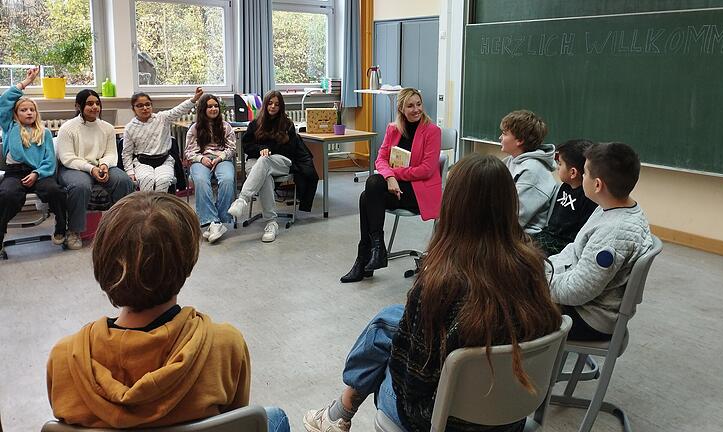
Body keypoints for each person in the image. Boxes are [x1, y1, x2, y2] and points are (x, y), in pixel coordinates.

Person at [305, 154, 563, 432]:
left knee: (384, 338)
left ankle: (340, 411)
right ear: (510, 203)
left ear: (454, 206)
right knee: (391, 319)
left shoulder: (440, 284)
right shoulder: (534, 267)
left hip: (442, 423)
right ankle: (338, 412)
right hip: (510, 419)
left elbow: (414, 389)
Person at [46, 192, 290, 432]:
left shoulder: (64, 358)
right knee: (274, 416)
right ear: (187, 263)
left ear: (103, 263)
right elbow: (236, 421)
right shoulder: (225, 345)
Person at [548, 142, 653, 341]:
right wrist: (547, 269)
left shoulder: (613, 234)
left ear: (597, 185)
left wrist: (539, 283)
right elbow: (574, 249)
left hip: (590, 318)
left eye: (585, 174)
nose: (582, 177)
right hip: (586, 305)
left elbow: (578, 290)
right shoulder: (609, 207)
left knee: (513, 309)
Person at [340, 87, 442, 283]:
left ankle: (367, 257)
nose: (416, 109)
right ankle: (376, 250)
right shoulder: (393, 129)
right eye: (410, 106)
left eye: (418, 104)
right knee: (371, 188)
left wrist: (392, 175)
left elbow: (426, 170)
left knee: (367, 195)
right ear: (401, 109)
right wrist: (389, 178)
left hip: (418, 193)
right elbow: (380, 159)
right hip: (394, 189)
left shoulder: (432, 131)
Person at [227, 90, 318, 242]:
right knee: (265, 175)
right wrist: (260, 150)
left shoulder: (287, 125)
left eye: (276, 104)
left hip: (281, 162)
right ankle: (272, 223)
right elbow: (247, 146)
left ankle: (242, 199)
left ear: (281, 106)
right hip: (256, 162)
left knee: (265, 161)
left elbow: (290, 150)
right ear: (265, 104)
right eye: (270, 103)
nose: (273, 106)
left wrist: (269, 150)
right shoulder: (255, 124)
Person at [0, 67, 68, 253]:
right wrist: (26, 83)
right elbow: (3, 102)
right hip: (14, 173)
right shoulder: (9, 127)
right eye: (23, 110)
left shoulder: (44, 133)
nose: (29, 113)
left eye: (32, 110)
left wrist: (37, 173)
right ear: (16, 114)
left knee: (55, 191)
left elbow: (49, 160)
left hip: (39, 173)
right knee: (7, 195)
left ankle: (61, 228)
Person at [57, 89, 135, 250]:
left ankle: (121, 227)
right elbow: (67, 157)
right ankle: (74, 231)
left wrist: (105, 165)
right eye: (89, 104)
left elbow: (111, 153)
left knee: (123, 181)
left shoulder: (107, 128)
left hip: (101, 165)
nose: (95, 107)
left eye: (97, 103)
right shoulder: (67, 128)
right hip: (74, 168)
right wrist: (91, 169)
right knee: (80, 187)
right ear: (78, 106)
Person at [122, 87, 203, 192]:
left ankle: (159, 208)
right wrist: (130, 172)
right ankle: (148, 207)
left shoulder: (162, 118)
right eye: (140, 106)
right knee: (147, 180)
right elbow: (126, 153)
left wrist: (194, 99)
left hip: (164, 160)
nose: (145, 108)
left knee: (163, 180)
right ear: (133, 109)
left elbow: (178, 110)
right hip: (142, 162)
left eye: (148, 104)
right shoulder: (130, 127)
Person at [184, 94, 236, 243]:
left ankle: (218, 221)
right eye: (210, 106)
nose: (213, 109)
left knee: (227, 179)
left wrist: (220, 158)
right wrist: (201, 159)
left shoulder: (226, 126)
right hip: (201, 160)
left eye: (215, 106)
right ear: (203, 109)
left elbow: (231, 148)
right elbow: (189, 152)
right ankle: (214, 221)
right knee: (200, 180)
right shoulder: (195, 128)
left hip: (222, 159)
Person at [531, 139, 598, 256]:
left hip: (564, 244)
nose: (557, 167)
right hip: (550, 234)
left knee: (525, 253)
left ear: (573, 172)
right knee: (518, 243)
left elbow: (579, 237)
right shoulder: (565, 186)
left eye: (560, 164)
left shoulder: (588, 197)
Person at [499, 110, 557, 235]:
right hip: (505, 228)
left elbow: (514, 218)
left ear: (519, 140)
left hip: (523, 237)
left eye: (504, 134)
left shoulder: (532, 171)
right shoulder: (510, 161)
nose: (500, 138)